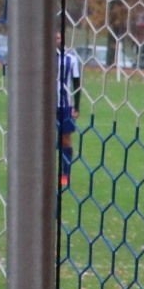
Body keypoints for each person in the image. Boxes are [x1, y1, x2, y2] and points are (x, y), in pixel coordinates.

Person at [57, 34, 81, 189]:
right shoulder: (44, 57)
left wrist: (76, 107)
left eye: (59, 37)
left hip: (65, 105)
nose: (57, 40)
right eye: (55, 38)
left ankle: (65, 173)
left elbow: (76, 83)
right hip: (46, 105)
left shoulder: (71, 58)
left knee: (65, 139)